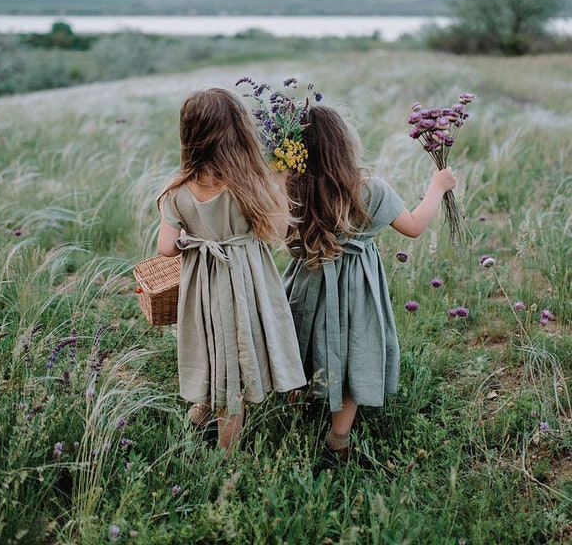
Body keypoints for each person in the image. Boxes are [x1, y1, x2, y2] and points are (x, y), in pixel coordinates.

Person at [283, 105, 456, 461]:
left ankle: (293, 413)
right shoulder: (372, 191)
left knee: (303, 343)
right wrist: (437, 188)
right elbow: (414, 227)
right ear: (345, 145)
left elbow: (281, 236)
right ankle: (338, 439)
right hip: (355, 293)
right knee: (351, 354)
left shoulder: (292, 190)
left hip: (307, 284)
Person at [156, 87, 306, 452]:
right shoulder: (250, 185)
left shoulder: (176, 190)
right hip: (246, 282)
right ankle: (226, 460)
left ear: (188, 136)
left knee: (213, 344)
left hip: (204, 285)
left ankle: (201, 409)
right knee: (239, 353)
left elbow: (165, 249)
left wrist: (194, 240)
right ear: (239, 133)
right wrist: (283, 181)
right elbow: (278, 231)